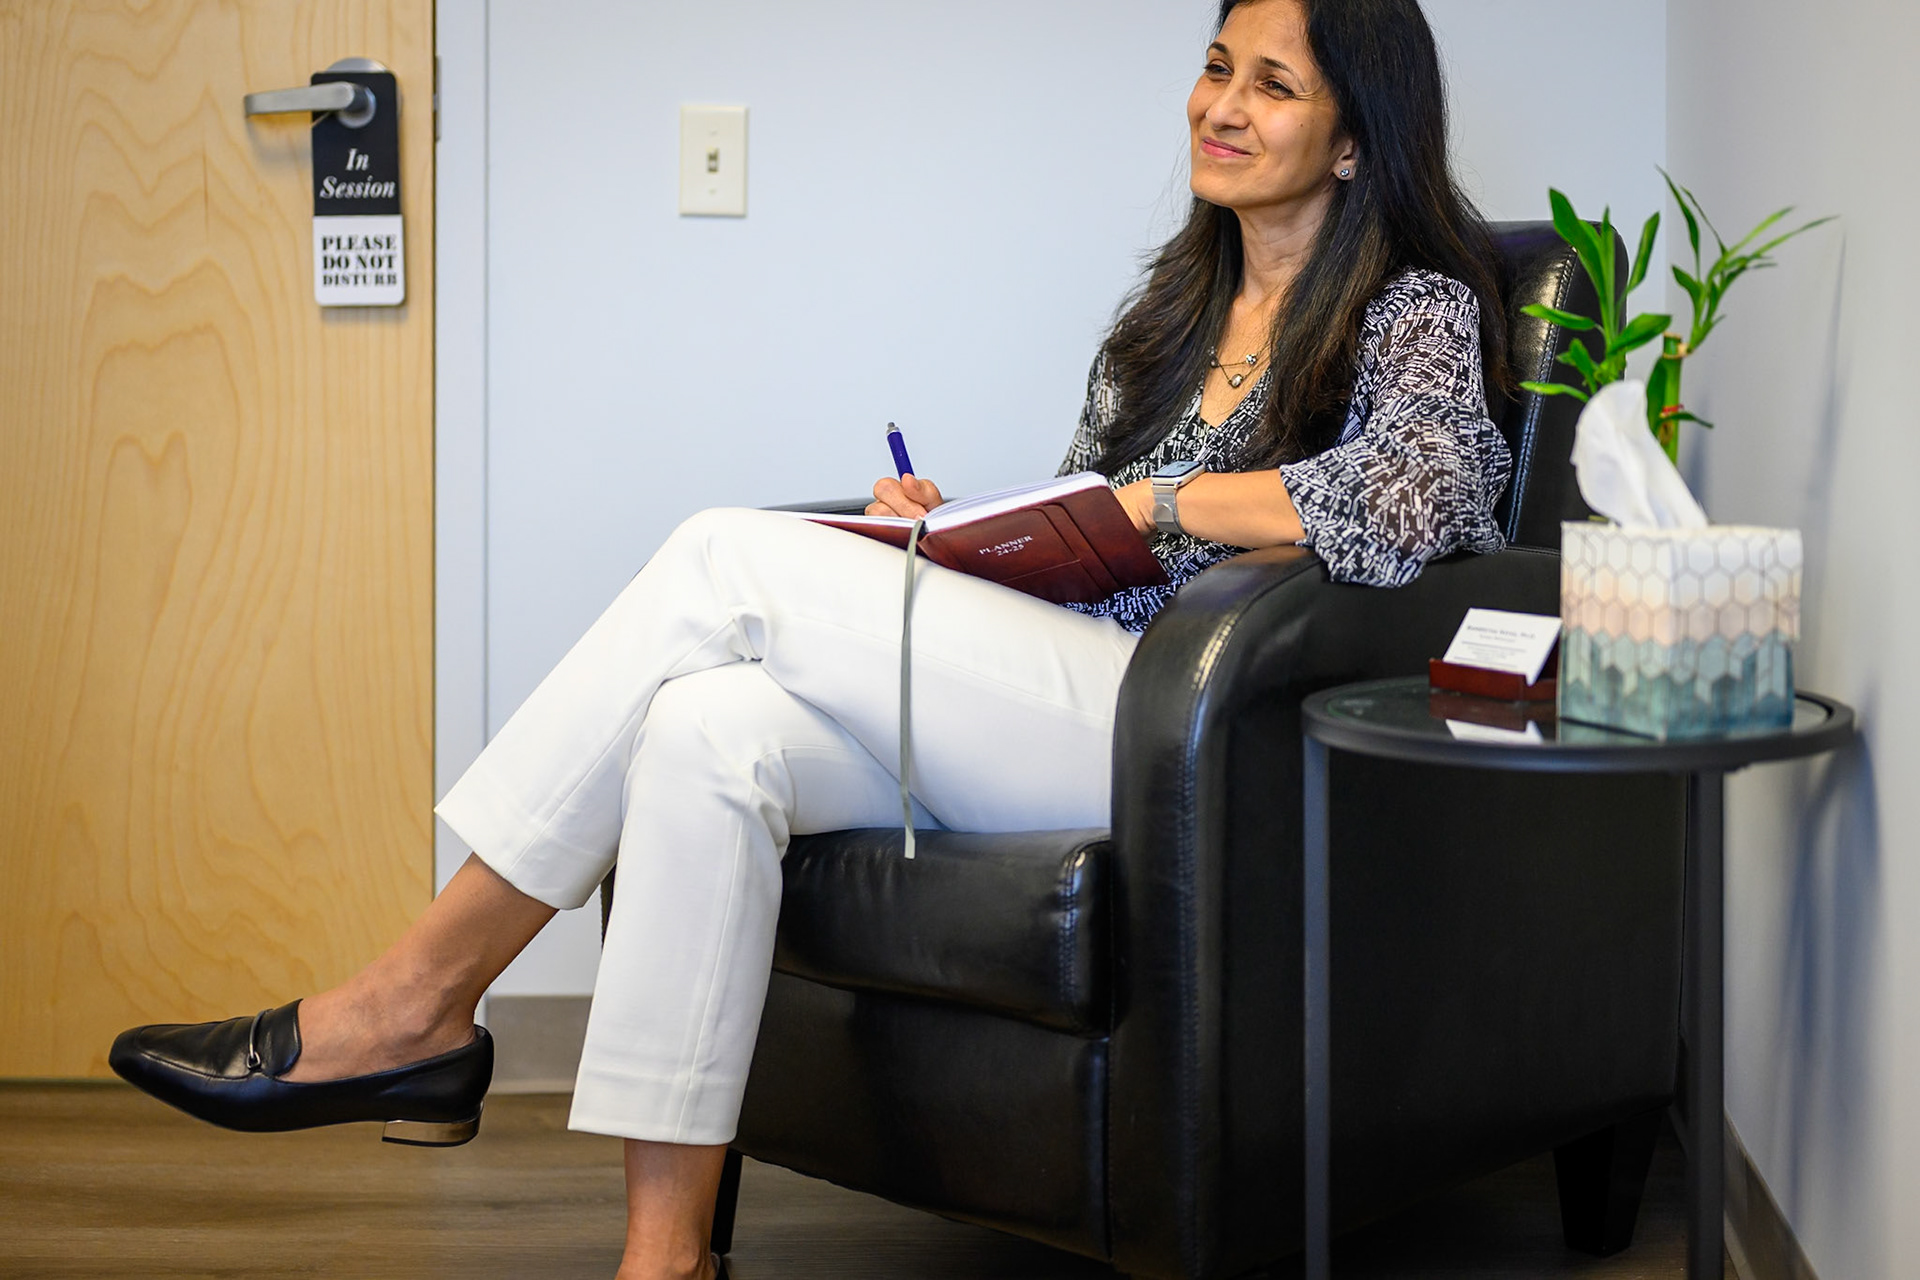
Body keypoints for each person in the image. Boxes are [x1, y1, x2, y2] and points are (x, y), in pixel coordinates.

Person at [109, 0, 1511, 1276]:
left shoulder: (1412, 305)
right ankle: (664, 1258)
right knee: (702, 732)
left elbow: (1431, 490)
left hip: (1184, 732)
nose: (1223, 105)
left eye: (1273, 85)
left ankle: (416, 1000)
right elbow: (1095, 546)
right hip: (1065, 697)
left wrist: (1162, 503)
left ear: (1353, 139)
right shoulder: (1168, 319)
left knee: (723, 559)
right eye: (1215, 67)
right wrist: (967, 536)